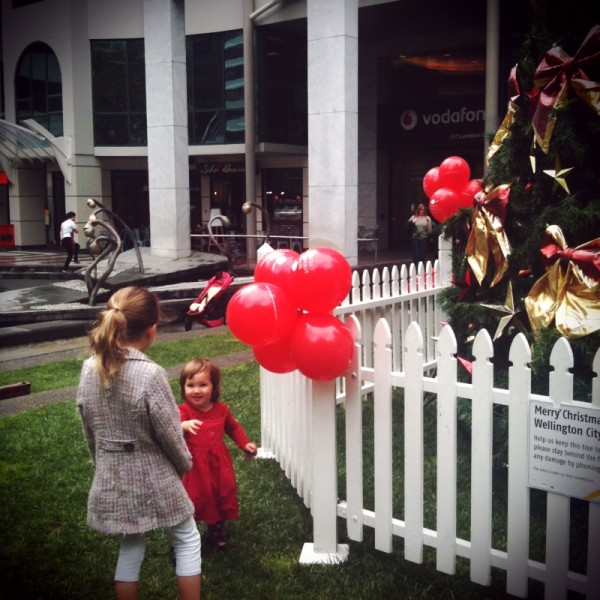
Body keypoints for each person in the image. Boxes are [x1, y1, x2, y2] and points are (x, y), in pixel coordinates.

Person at [76, 286, 201, 600]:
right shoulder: (151, 374)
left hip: (112, 475)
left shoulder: (89, 369)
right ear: (152, 329)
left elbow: (88, 426)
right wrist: (184, 463)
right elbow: (170, 434)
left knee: (131, 544)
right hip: (155, 478)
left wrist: (101, 463)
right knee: (186, 538)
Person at [178, 358, 257, 549]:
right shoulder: (184, 411)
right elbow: (170, 430)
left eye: (203, 385)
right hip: (194, 467)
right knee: (194, 498)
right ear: (183, 387)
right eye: (190, 385)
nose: (196, 390)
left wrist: (244, 443)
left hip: (218, 465)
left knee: (219, 495)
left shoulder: (221, 410)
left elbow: (233, 427)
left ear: (214, 387)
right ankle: (185, 538)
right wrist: (183, 426)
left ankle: (216, 533)